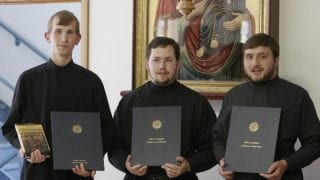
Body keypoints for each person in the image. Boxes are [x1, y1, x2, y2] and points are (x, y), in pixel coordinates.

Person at [1, 10, 113, 180]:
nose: (64, 38)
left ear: (78, 38)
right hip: (36, 172)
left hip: (77, 174)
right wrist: (23, 147)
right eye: (58, 31)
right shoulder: (28, 79)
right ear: (47, 36)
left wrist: (91, 164)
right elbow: (10, 128)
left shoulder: (91, 82)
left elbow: (106, 130)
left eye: (70, 32)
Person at [212, 33, 320, 179]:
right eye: (249, 56)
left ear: (276, 61)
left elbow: (315, 142)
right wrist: (222, 160)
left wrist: (286, 163)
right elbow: (218, 137)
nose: (254, 63)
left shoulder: (297, 95)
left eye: (262, 56)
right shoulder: (233, 95)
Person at [108, 36, 217, 180]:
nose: (162, 66)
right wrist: (126, 165)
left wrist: (189, 165)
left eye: (168, 60)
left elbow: (212, 149)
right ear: (147, 63)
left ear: (178, 63)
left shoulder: (196, 102)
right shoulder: (129, 102)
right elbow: (114, 146)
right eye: (156, 60)